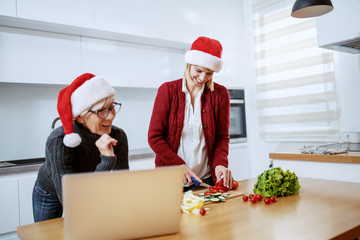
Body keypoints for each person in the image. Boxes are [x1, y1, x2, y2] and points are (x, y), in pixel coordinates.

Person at [32, 73, 129, 222]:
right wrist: (107, 160)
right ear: (80, 116)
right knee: (47, 235)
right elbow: (74, 204)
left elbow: (122, 184)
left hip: (89, 189)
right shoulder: (59, 141)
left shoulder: (118, 136)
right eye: (101, 111)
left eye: (112, 107)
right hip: (50, 192)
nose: (110, 116)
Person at [148, 36, 234, 191]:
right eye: (199, 70)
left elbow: (222, 138)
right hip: (170, 179)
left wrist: (220, 164)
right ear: (188, 64)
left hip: (204, 180)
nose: (202, 78)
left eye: (209, 73)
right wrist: (179, 166)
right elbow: (155, 137)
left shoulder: (220, 94)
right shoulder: (167, 91)